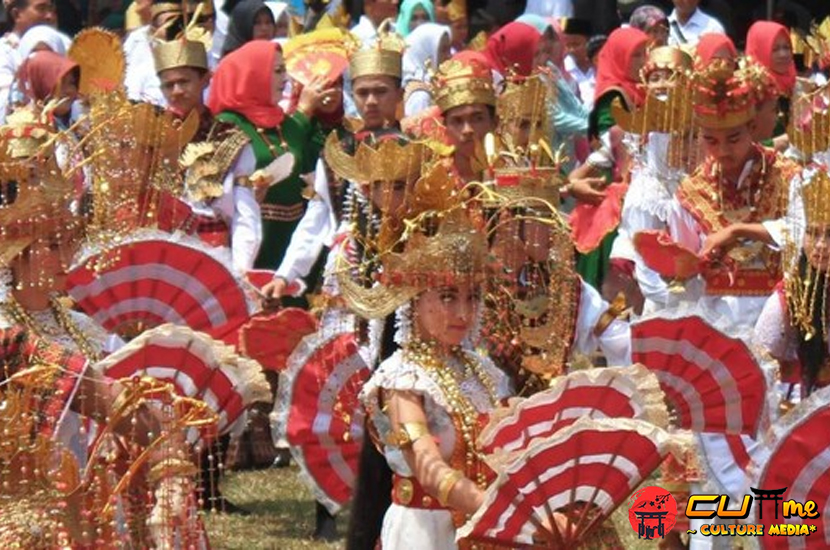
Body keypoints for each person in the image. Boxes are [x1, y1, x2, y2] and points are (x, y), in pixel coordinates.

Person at [353, 206, 514, 549]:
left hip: (484, 528)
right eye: (447, 296)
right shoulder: (402, 379)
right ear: (414, 299)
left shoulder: (482, 371)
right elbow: (427, 468)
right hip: (426, 534)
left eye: (472, 297)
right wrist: (498, 509)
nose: (463, 312)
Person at [667, 59, 800, 330]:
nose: (722, 151)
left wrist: (739, 230)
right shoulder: (690, 193)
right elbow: (684, 277)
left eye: (733, 139)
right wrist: (694, 270)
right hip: (716, 323)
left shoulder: (787, 176)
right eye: (711, 141)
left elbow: (803, 233)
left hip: (779, 318)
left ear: (752, 128)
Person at [431, 52, 497, 183]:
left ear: (495, 122)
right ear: (445, 127)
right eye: (457, 121)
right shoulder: (434, 180)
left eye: (477, 119)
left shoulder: (512, 175)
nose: (467, 130)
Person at [0, 0, 56, 122]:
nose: (49, 16)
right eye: (41, 9)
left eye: (50, 9)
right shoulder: (4, 52)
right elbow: (6, 108)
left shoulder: (60, 48)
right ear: (16, 14)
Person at [746, 20, 796, 139]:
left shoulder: (798, 85)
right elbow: (741, 146)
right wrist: (775, 144)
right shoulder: (750, 93)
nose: (783, 54)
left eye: (786, 47)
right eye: (775, 49)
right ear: (760, 50)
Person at [402, 22, 451, 116]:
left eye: (449, 49)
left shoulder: (435, 85)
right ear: (426, 54)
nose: (449, 55)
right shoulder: (420, 96)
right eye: (443, 50)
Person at [561, 17, 595, 108]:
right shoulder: (563, 69)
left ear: (589, 42)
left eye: (576, 44)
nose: (572, 50)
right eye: (568, 45)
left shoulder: (599, 67)